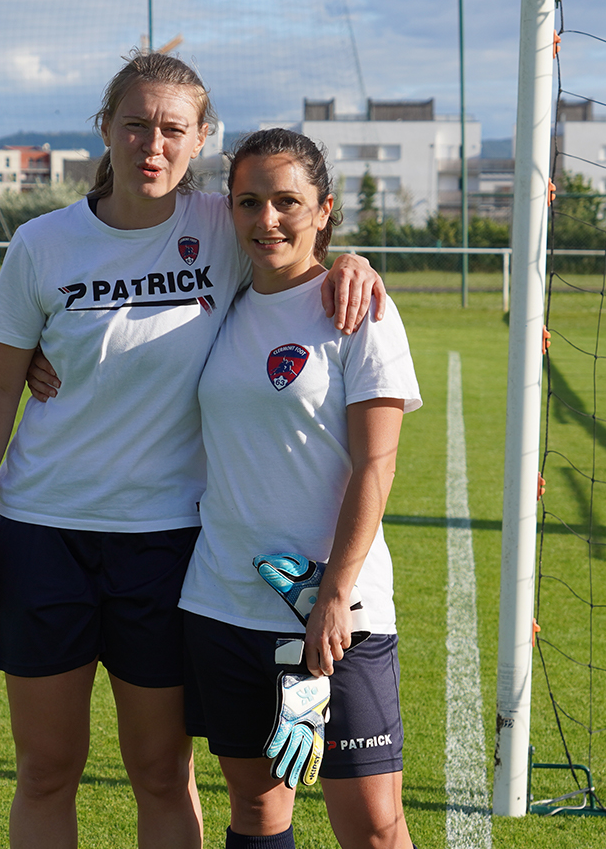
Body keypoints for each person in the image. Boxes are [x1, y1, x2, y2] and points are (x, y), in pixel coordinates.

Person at [0, 54, 386, 849]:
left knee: (159, 771)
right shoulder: (42, 244)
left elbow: (296, 241)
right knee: (47, 768)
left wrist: (354, 260)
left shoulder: (222, 225)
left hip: (167, 546)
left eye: (173, 129)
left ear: (200, 141)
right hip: (42, 532)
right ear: (106, 131)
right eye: (136, 125)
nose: (153, 143)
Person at [178, 128, 422, 849]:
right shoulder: (216, 304)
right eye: (249, 201)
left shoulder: (357, 310)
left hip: (338, 613)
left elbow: (376, 465)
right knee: (257, 815)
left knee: (373, 826)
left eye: (287, 201)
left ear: (324, 209)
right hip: (224, 602)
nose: (267, 219)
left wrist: (333, 603)